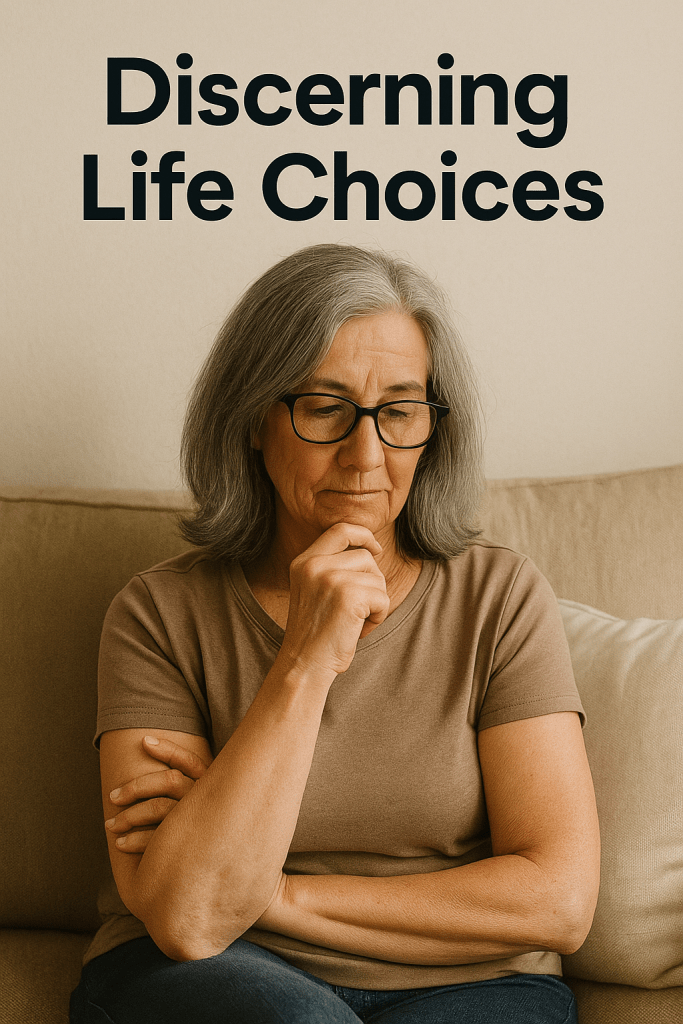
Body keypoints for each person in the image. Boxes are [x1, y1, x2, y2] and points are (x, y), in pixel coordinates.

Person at [70, 244, 600, 1024]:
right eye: (323, 408)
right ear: (253, 417)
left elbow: (557, 902)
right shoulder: (159, 614)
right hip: (222, 969)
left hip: (475, 984)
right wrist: (305, 659)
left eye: (399, 411)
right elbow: (186, 921)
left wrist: (267, 891)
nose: (366, 456)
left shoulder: (499, 597)